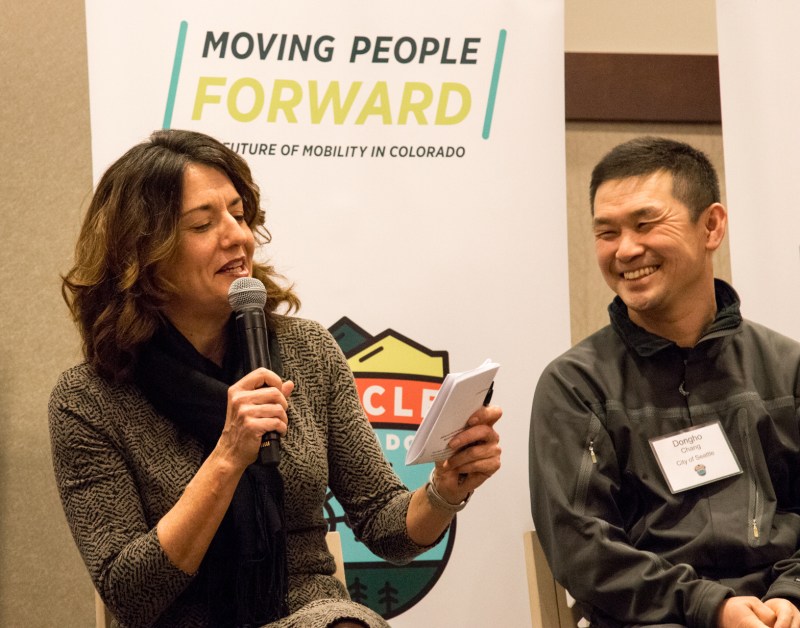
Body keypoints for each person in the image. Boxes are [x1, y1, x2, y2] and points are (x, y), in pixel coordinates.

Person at [49, 129, 502, 628]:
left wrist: (444, 489)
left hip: (314, 612)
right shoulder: (88, 400)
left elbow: (382, 521)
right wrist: (226, 458)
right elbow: (130, 594)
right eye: (204, 224)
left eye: (239, 215)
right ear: (143, 256)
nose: (237, 236)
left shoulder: (306, 351)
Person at [529, 136, 800, 628]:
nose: (627, 249)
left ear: (711, 226)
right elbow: (582, 549)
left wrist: (791, 594)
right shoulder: (575, 385)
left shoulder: (787, 368)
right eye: (607, 232)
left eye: (646, 224)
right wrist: (710, 608)